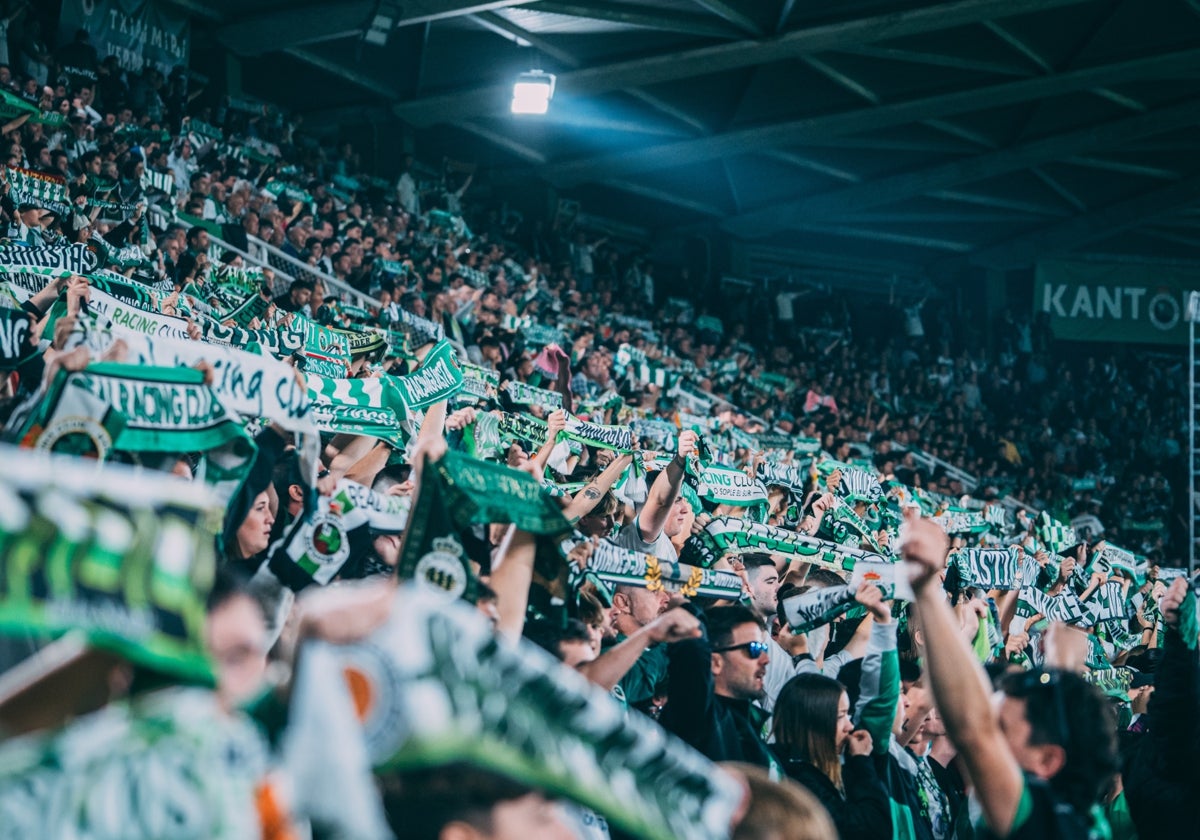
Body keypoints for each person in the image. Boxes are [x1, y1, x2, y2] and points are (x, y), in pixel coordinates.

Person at [901, 509, 1119, 839]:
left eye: (1000, 728)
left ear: (1046, 761)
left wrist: (926, 587)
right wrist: (1061, 670)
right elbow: (1071, 723)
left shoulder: (1043, 826)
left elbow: (972, 726)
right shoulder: (1083, 814)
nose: (986, 732)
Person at [771, 673, 892, 840]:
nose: (849, 727)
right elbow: (871, 830)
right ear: (813, 723)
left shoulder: (826, 769)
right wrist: (862, 762)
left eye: (848, 715)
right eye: (840, 717)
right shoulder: (799, 781)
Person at [660, 605, 779, 771]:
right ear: (715, 663)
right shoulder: (699, 719)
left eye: (763, 648)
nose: (765, 659)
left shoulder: (747, 722)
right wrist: (686, 606)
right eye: (754, 649)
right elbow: (692, 649)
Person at [610, 429, 696, 562]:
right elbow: (660, 502)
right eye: (676, 500)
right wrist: (680, 459)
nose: (685, 510)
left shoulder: (665, 544)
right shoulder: (640, 537)